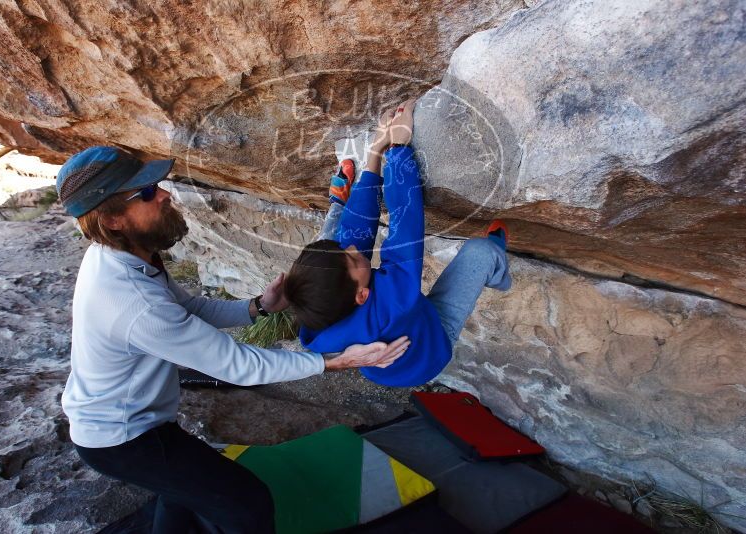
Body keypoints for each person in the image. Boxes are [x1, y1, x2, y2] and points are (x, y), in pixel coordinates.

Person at [56, 146, 411, 533]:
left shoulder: (124, 256)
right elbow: (239, 365)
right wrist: (337, 361)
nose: (163, 194)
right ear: (112, 219)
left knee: (183, 493)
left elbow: (189, 309)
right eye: (144, 193)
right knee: (247, 503)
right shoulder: (133, 301)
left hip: (132, 422)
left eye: (155, 185)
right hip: (124, 438)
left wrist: (259, 306)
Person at [284, 99, 512, 387]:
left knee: (335, 236)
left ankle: (338, 201)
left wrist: (376, 150)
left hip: (387, 360)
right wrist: (399, 149)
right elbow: (405, 225)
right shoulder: (393, 300)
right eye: (353, 259)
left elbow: (355, 231)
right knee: (482, 252)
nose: (353, 250)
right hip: (432, 344)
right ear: (362, 296)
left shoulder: (320, 312)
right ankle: (500, 274)